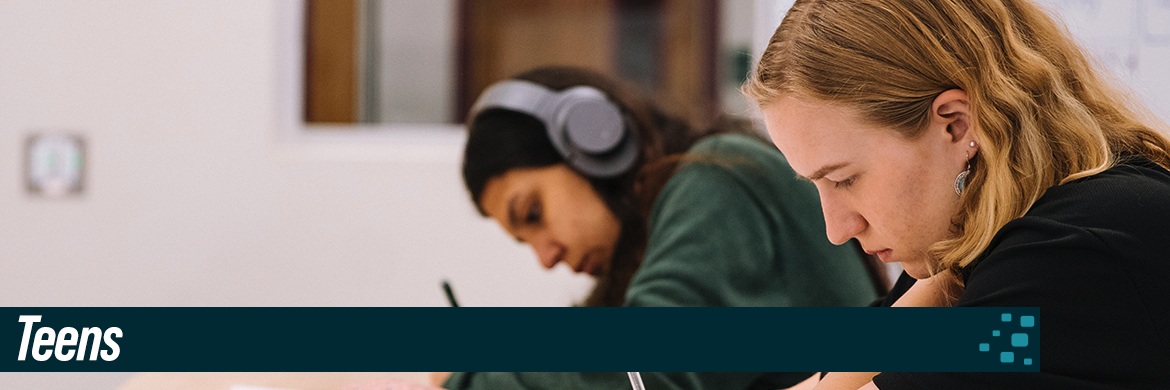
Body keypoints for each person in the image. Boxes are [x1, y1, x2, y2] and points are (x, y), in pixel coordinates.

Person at [743, 0, 1170, 389]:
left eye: (844, 179)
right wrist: (940, 284)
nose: (837, 230)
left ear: (957, 126)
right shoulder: (965, 243)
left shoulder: (1078, 250)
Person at [443, 66, 883, 390]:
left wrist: (470, 379)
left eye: (534, 214)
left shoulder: (719, 177)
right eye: (525, 243)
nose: (546, 257)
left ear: (593, 139)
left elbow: (643, 373)